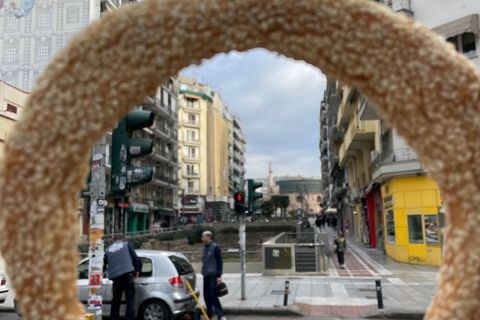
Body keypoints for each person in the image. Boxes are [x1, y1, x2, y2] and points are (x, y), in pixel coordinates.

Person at [104, 235, 140, 320]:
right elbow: (135, 258)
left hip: (116, 278)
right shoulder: (126, 245)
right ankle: (129, 318)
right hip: (128, 275)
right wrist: (137, 271)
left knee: (115, 300)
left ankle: (114, 318)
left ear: (113, 241)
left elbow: (104, 264)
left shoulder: (107, 250)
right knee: (130, 299)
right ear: (121, 240)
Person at [201, 231, 226, 320]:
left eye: (203, 237)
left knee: (213, 295)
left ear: (209, 237)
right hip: (206, 275)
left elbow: (220, 262)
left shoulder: (215, 248)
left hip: (213, 275)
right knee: (206, 295)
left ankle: (220, 314)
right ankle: (209, 314)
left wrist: (219, 275)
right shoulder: (205, 248)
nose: (202, 239)